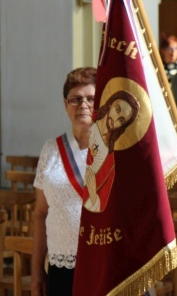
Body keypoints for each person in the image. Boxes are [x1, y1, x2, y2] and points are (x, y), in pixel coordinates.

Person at [32, 67, 96, 296]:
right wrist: (37, 270)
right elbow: (40, 213)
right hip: (61, 264)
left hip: (103, 260)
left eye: (91, 98)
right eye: (76, 100)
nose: (83, 106)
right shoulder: (50, 150)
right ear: (65, 105)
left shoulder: (114, 151)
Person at [84, 89, 140, 212]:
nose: (115, 119)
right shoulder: (85, 125)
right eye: (117, 109)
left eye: (121, 120)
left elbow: (101, 207)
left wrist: (92, 193)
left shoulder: (109, 162)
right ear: (110, 104)